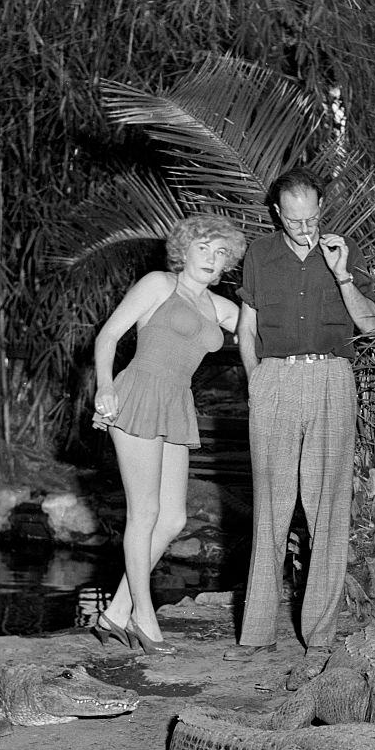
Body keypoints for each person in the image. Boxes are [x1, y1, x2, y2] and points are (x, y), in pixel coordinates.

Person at [223, 168, 375, 679]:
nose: (305, 228)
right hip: (275, 380)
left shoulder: (342, 252)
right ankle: (257, 635)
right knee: (269, 508)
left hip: (332, 379)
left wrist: (342, 274)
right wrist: (254, 381)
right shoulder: (261, 255)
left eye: (312, 217)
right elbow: (246, 328)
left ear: (321, 210)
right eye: (294, 220)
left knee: (327, 510)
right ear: (277, 215)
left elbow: (372, 325)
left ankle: (319, 639)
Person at [91, 214, 246, 656]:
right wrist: (105, 386)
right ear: (185, 250)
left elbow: (260, 326)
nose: (211, 259)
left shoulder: (218, 307)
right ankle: (144, 615)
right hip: (138, 393)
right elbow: (108, 336)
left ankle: (115, 614)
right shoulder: (160, 284)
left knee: (174, 519)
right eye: (203, 248)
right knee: (145, 513)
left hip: (177, 403)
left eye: (220, 253)